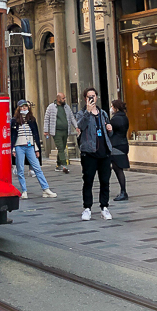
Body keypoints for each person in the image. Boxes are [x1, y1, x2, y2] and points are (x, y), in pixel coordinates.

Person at [75, 87, 114, 221]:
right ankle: (87, 208)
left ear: (97, 97)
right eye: (88, 96)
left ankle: (104, 207)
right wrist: (88, 111)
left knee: (105, 181)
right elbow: (80, 126)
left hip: (104, 152)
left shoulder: (103, 113)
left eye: (93, 96)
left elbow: (109, 133)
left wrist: (109, 129)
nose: (91, 98)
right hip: (89, 152)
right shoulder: (82, 113)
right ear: (85, 99)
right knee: (88, 181)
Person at [10, 100, 56, 199]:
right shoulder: (14, 120)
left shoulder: (31, 119)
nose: (24, 108)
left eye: (25, 107)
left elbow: (35, 135)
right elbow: (12, 136)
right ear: (18, 108)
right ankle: (24, 191)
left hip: (30, 146)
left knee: (37, 168)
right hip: (19, 147)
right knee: (20, 169)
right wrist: (13, 149)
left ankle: (45, 189)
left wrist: (36, 149)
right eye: (22, 107)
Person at [43, 93, 77, 174]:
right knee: (61, 148)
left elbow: (71, 117)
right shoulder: (51, 107)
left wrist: (76, 126)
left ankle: (58, 164)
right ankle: (65, 165)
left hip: (65, 131)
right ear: (58, 99)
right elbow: (46, 119)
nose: (64, 99)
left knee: (61, 148)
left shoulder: (67, 107)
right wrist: (46, 130)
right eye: (63, 98)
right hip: (56, 131)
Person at [109, 99, 130, 201]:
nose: (111, 108)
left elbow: (110, 131)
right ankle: (122, 191)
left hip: (116, 145)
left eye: (112, 106)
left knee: (118, 169)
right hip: (124, 144)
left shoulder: (115, 119)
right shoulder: (124, 118)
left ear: (115, 108)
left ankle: (123, 191)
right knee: (117, 168)